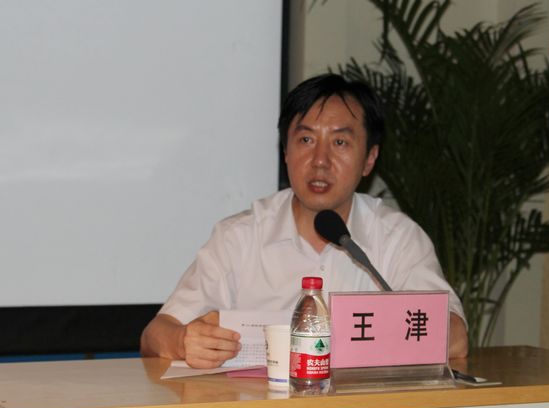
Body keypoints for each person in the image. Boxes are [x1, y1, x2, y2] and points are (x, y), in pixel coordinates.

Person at [140, 74, 468, 368]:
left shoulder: (398, 238)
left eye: (340, 142)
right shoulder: (239, 237)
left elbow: (455, 338)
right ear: (285, 151)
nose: (320, 161)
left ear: (369, 159)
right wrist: (183, 341)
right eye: (306, 140)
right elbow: (155, 335)